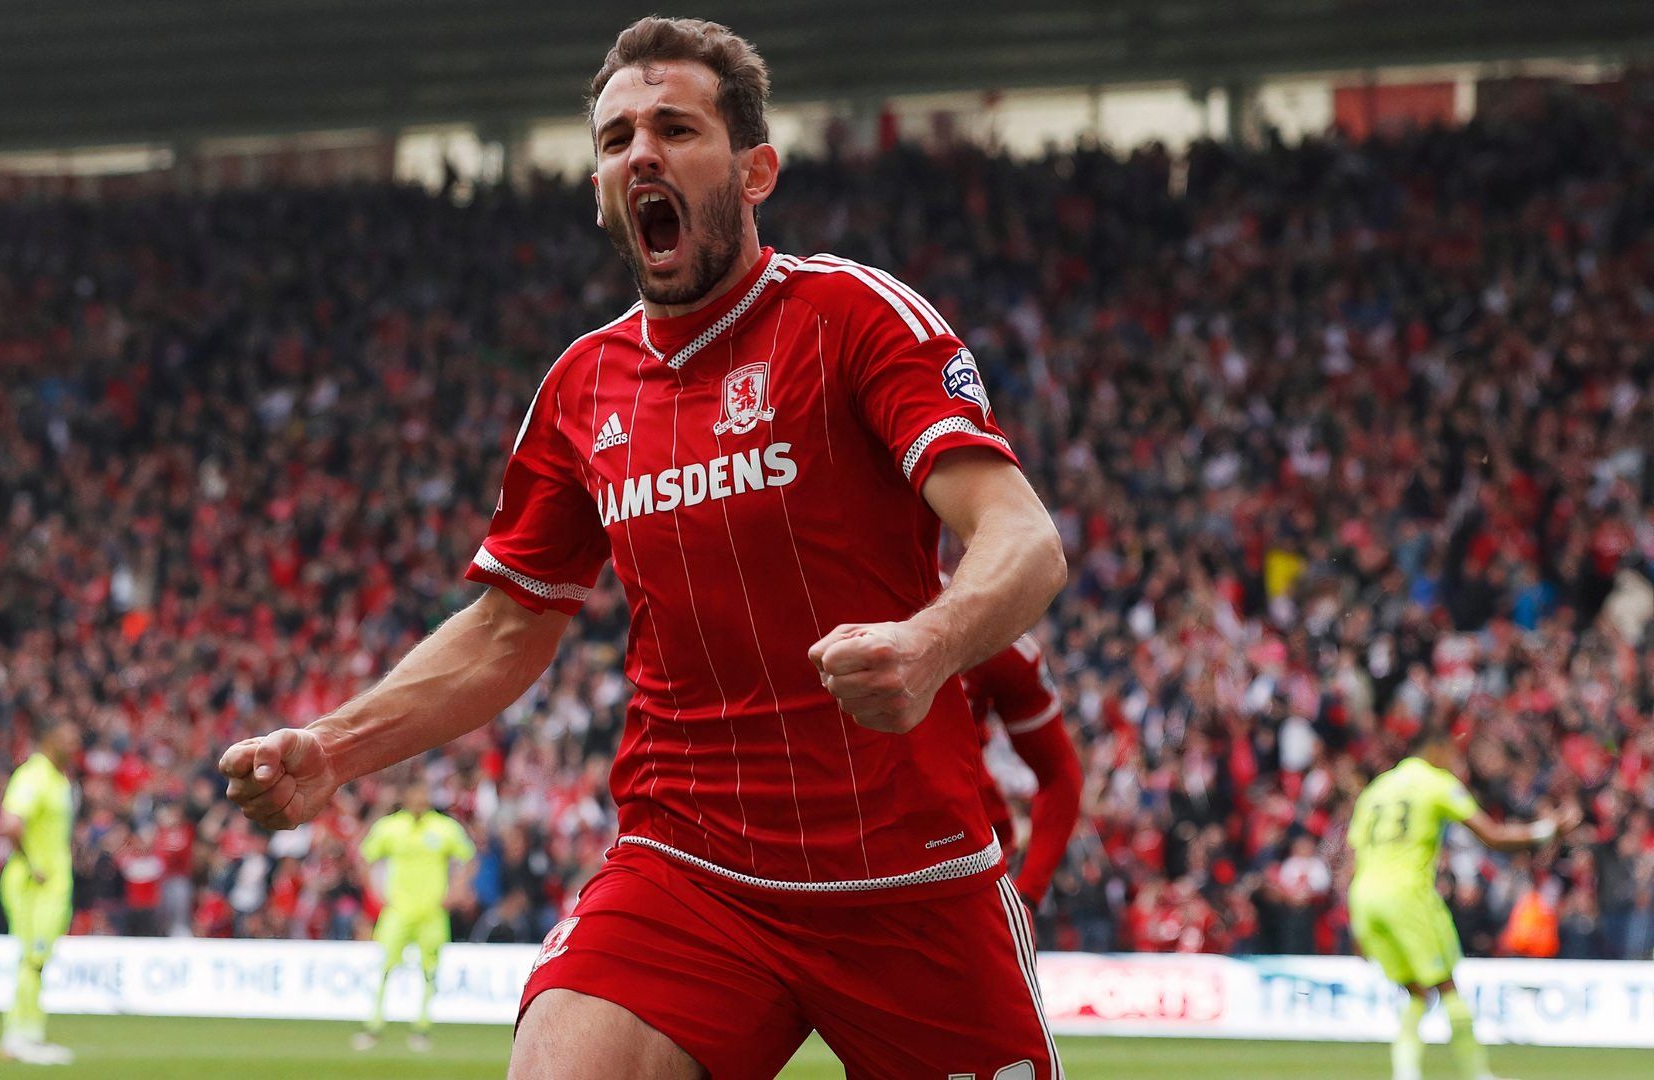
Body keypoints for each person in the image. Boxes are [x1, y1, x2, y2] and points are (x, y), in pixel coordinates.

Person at [219, 15, 1067, 1079]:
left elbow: (1022, 536)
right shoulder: (581, 388)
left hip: (909, 870)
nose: (641, 154)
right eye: (616, 139)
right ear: (598, 189)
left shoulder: (854, 317)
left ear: (755, 169)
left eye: (676, 127)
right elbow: (502, 632)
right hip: (691, 865)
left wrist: (932, 642)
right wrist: (336, 748)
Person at [1346, 726, 1580, 1080]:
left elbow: (1355, 855)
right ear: (1437, 751)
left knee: (1416, 991)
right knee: (1447, 987)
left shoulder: (1376, 791)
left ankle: (1405, 1072)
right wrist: (1549, 830)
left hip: (1364, 896)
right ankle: (1478, 1075)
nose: (1457, 765)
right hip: (1407, 894)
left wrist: (1355, 924)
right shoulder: (1435, 783)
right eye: (1453, 756)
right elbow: (1494, 835)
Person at [352, 781, 476, 1052]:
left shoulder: (444, 828)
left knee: (430, 970)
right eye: (416, 794)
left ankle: (421, 1028)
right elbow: (365, 856)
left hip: (432, 911)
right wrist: (374, 891)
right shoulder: (391, 827)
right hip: (398, 910)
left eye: (424, 794)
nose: (420, 799)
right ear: (407, 798)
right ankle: (374, 1025)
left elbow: (469, 858)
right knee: (385, 967)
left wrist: (457, 890)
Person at [962, 634, 1083, 907]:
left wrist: (1027, 891)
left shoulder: (1001, 643)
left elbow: (1060, 775)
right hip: (862, 855)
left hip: (969, 854)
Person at [0, 716, 81, 1066]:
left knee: (36, 963)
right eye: (68, 738)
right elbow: (10, 823)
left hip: (52, 886)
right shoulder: (34, 775)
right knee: (31, 961)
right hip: (35, 886)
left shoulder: (61, 779)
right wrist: (33, 864)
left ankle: (26, 1035)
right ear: (50, 740)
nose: (75, 745)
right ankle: (21, 1037)